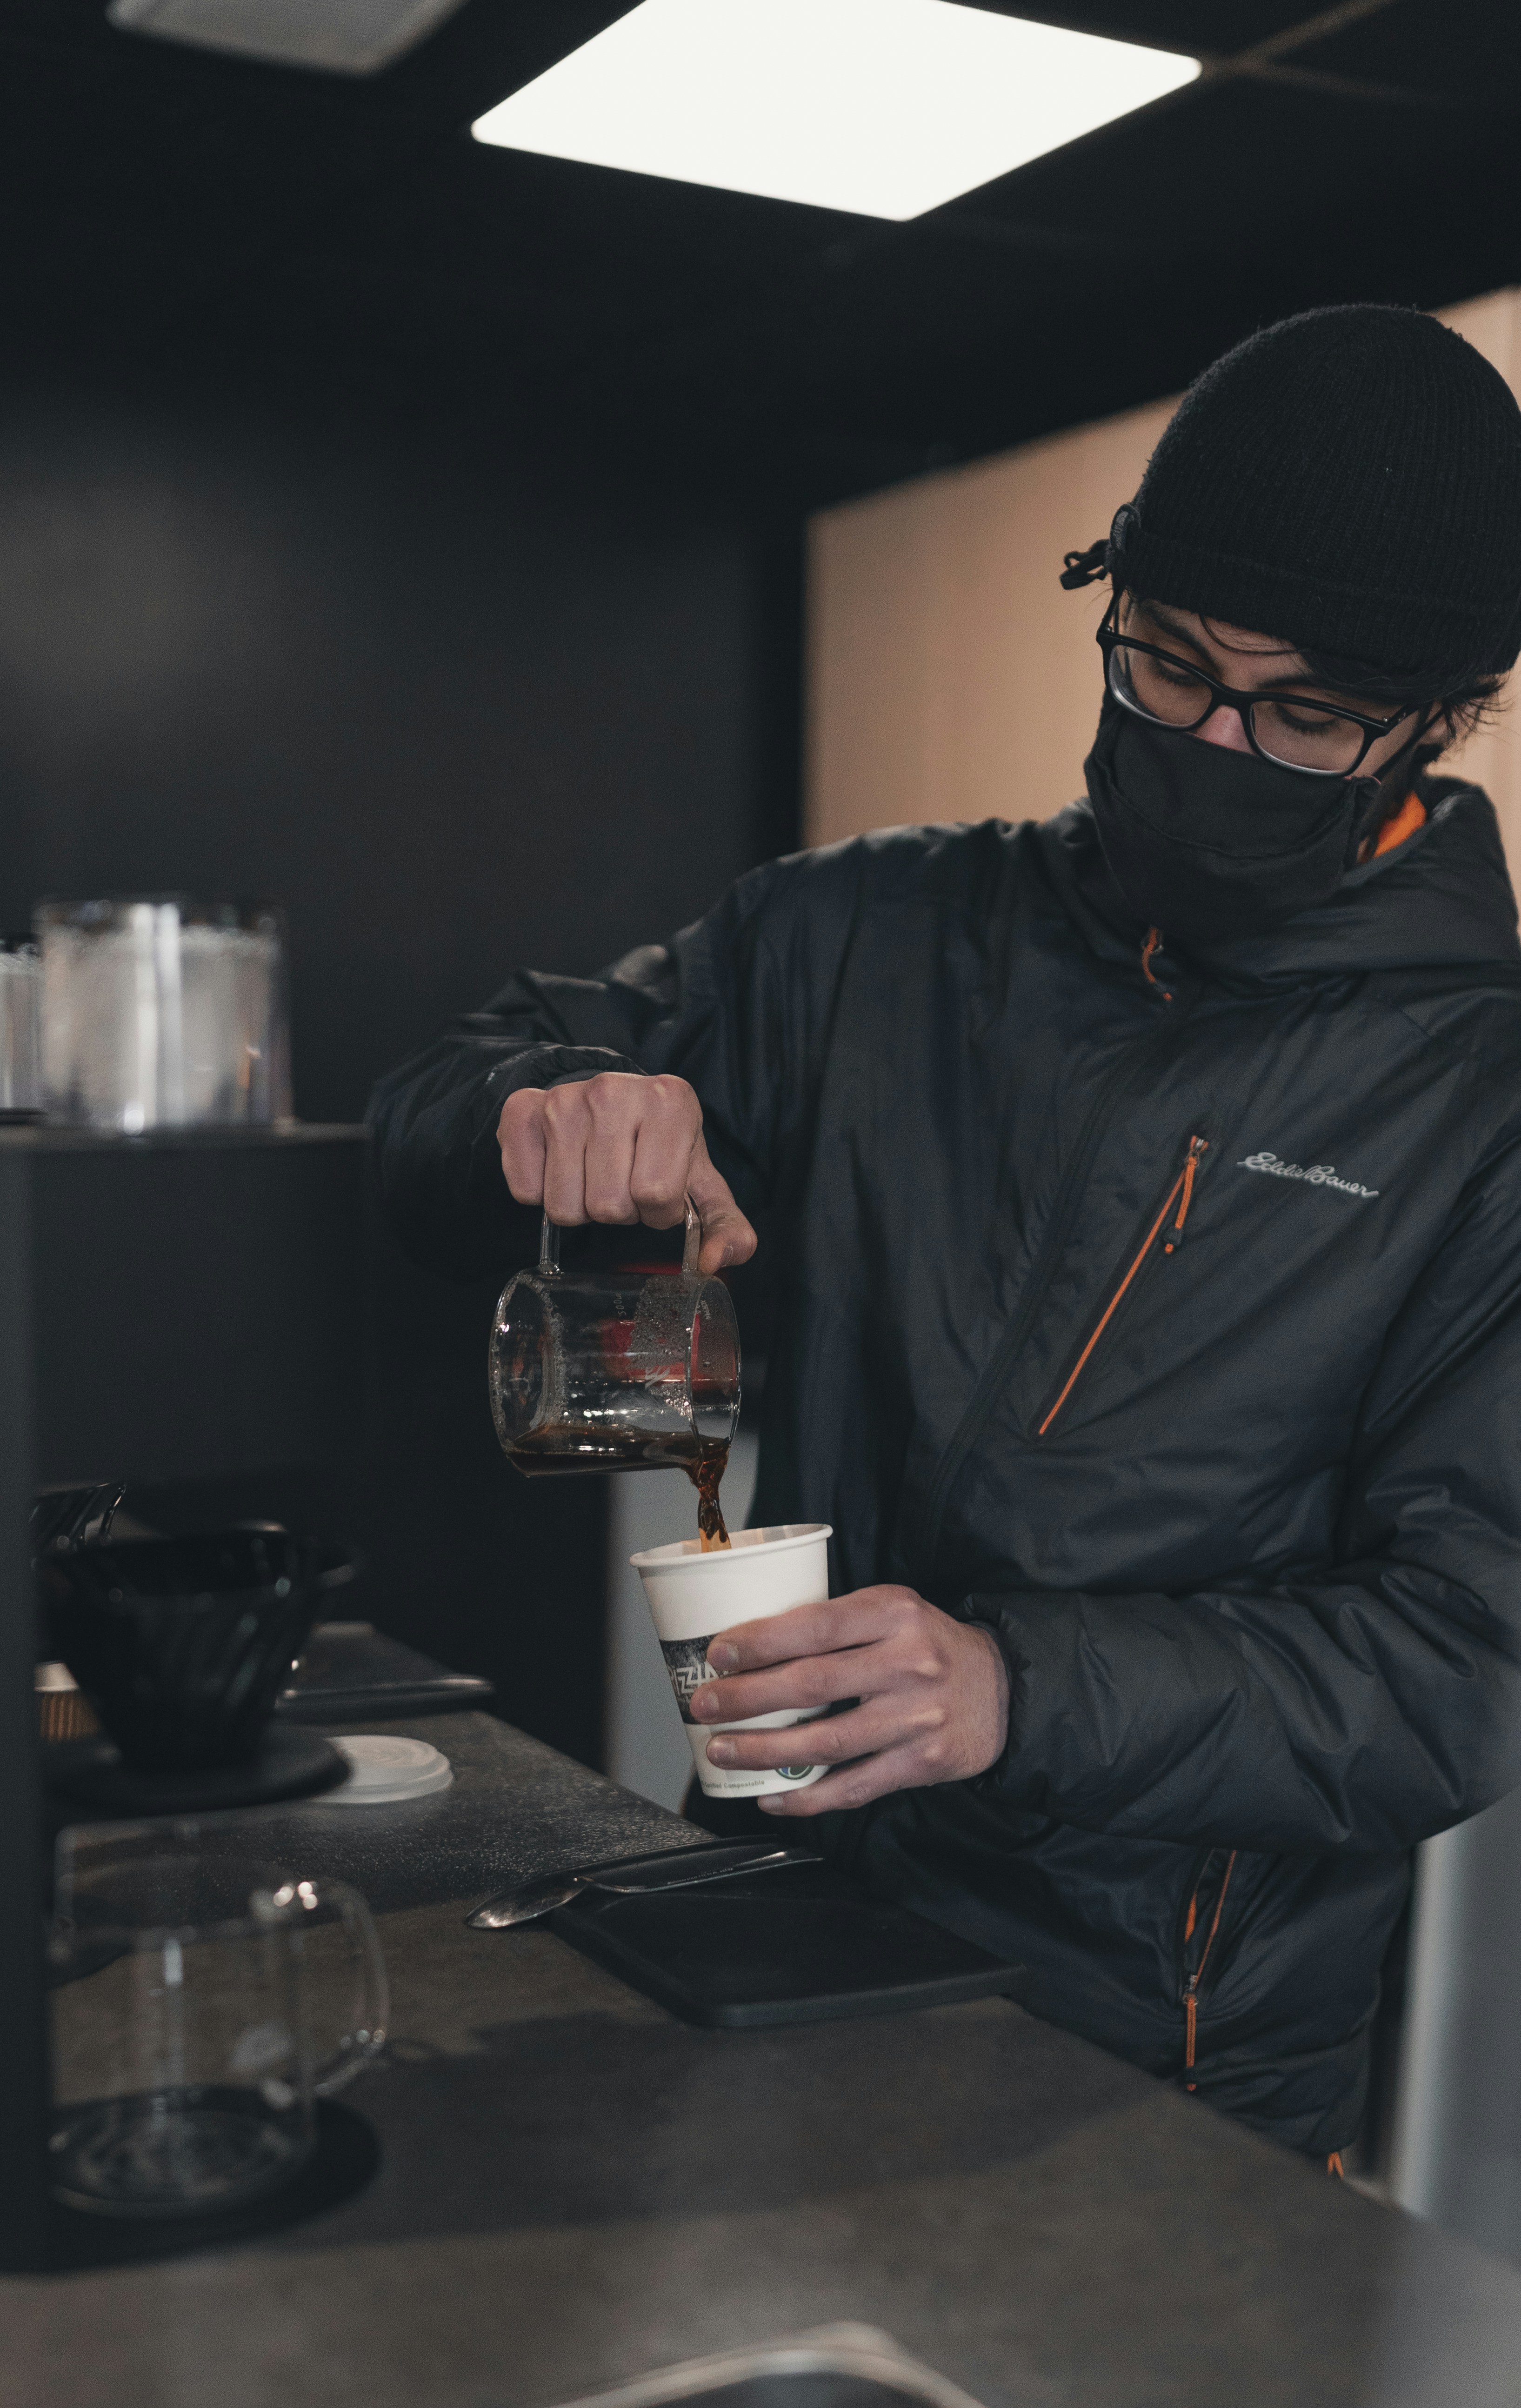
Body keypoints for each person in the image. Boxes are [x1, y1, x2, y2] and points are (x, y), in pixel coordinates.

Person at [370, 305, 1521, 2163]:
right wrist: (551, 1097)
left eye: (1302, 715)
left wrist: (1011, 1686)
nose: (1213, 738)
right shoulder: (867, 935)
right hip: (772, 1924)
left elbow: (1463, 1668)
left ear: (1436, 718)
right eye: (1163, 666)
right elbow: (458, 1075)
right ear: (1112, 607)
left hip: (1171, 2075)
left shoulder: (1480, 1105)